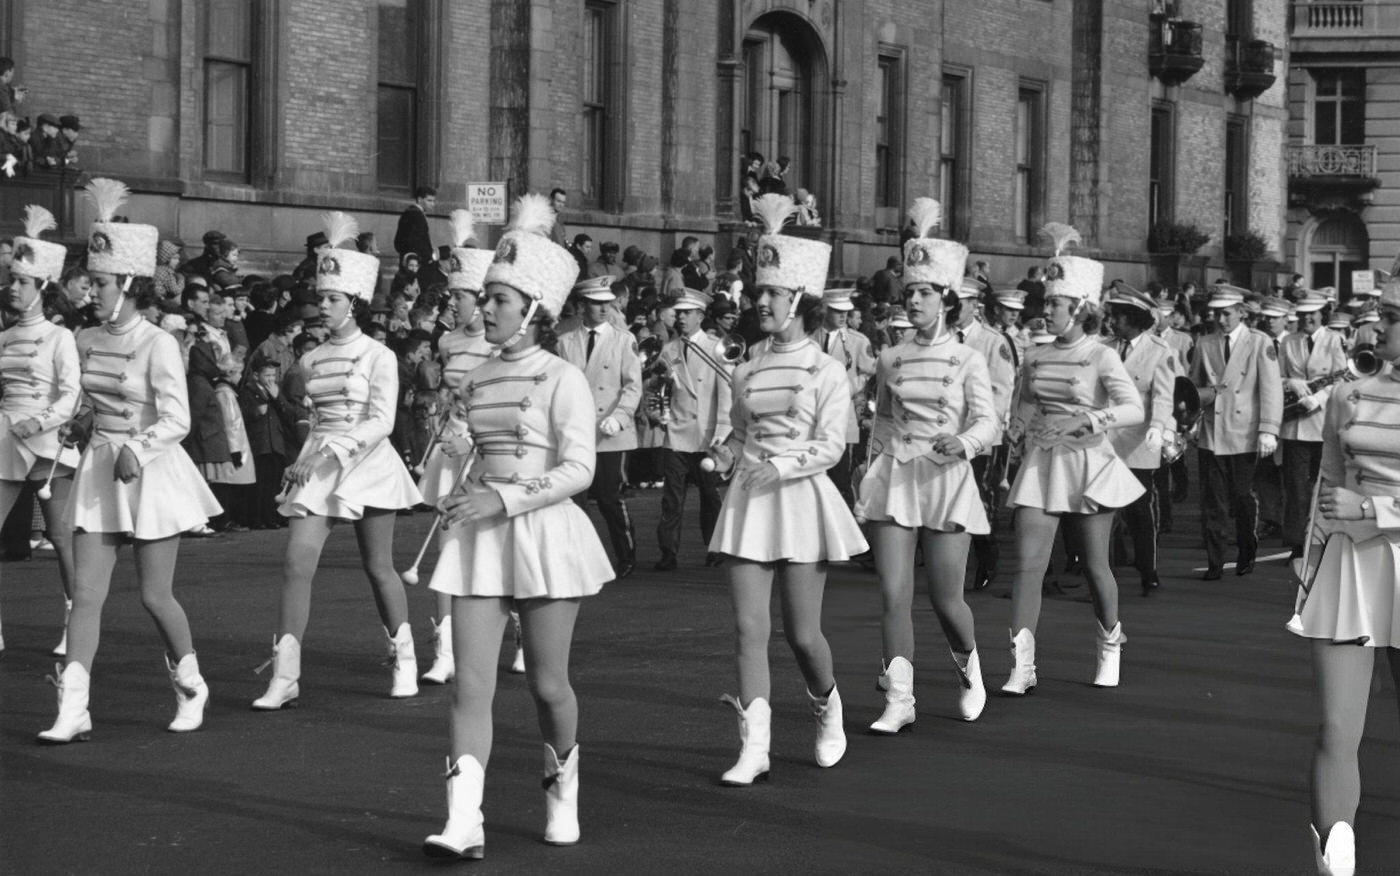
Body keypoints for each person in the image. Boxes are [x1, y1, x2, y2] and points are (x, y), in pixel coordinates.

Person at [422, 193, 614, 858]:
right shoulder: (475, 376)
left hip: (544, 535)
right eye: (488, 297)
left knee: (546, 684)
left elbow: (580, 470)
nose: (485, 307)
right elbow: (476, 450)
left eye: (500, 299)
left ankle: (562, 787)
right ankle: (463, 820)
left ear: (533, 311)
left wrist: (501, 500)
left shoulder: (563, 378)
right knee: (470, 686)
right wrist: (458, 481)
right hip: (480, 536)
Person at [39, 178, 223, 743]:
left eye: (97, 282)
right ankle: (74, 707)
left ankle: (190, 681)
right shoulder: (87, 338)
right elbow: (88, 401)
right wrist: (81, 422)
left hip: (149, 474)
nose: (87, 291)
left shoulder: (158, 342)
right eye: (88, 281)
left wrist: (136, 449)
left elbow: (178, 419)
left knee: (152, 595)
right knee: (87, 594)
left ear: (127, 283)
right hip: (99, 469)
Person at [704, 193, 868, 785]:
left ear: (801, 300)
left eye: (772, 293)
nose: (760, 301)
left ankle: (828, 711)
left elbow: (831, 444)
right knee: (749, 629)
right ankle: (755, 748)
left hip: (799, 500)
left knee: (802, 634)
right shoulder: (746, 367)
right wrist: (723, 453)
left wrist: (784, 464)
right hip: (749, 500)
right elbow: (740, 430)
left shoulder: (826, 368)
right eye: (759, 292)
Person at [252, 212, 423, 710]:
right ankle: (285, 675)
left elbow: (382, 422)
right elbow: (309, 414)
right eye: (320, 298)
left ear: (356, 304)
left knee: (378, 567)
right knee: (295, 563)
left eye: (332, 299)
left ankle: (405, 658)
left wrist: (325, 452)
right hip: (320, 464)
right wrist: (306, 451)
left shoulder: (379, 355)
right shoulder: (308, 360)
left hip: (367, 463)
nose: (321, 307)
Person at [855, 197, 994, 733]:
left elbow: (989, 420)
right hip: (896, 475)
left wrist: (966, 443)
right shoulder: (890, 355)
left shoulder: (968, 358)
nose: (913, 299)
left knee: (945, 599)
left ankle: (970, 668)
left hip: (946, 479)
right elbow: (883, 422)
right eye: (909, 291)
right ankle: (900, 699)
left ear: (946, 300)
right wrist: (868, 474)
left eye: (924, 292)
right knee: (892, 594)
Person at [1000, 223, 1144, 696]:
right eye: (1046, 303)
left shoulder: (1102, 356)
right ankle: (1022, 665)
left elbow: (1132, 409)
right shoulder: (1035, 356)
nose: (1046, 312)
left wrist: (1086, 421)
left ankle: (1110, 643)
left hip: (1088, 464)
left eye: (1055, 304)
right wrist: (1018, 427)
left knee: (1095, 567)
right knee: (1027, 565)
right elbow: (1025, 400)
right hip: (1043, 464)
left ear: (1080, 309)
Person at [1287, 278, 1400, 876]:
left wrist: (1378, 510)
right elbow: (1327, 488)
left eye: (1394, 317)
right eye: (1381, 314)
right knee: (1335, 728)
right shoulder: (1350, 393)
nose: (1377, 328)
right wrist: (1310, 565)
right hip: (1350, 566)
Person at [413, 210, 500, 685]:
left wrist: (472, 432)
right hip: (450, 453)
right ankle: (444, 650)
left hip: (487, 456)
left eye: (462, 296)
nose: (455, 304)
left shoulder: (498, 345)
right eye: (453, 296)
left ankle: (521, 635)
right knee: (446, 549)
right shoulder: (446, 341)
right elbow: (449, 397)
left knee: (496, 548)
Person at [0, 205, 79, 657]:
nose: (13, 288)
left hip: (46, 441)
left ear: (42, 287)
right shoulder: (5, 337)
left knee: (62, 539)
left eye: (22, 282)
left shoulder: (59, 337)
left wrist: (40, 422)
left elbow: (70, 395)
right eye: (12, 281)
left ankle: (75, 620)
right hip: (7, 438)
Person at [1190, 284, 1282, 579]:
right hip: (1212, 431)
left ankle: (1246, 549)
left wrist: (1269, 429)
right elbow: (1193, 388)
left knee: (1242, 497)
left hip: (1244, 431)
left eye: (1226, 313)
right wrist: (1191, 420)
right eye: (1216, 313)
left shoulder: (1259, 341)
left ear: (1241, 313)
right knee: (1213, 501)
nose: (1221, 319)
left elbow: (1271, 388)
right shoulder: (1205, 342)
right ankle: (1215, 561)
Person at [559, 275, 643, 578]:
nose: (604, 309)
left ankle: (626, 554)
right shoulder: (565, 341)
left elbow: (633, 386)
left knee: (609, 498)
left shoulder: (624, 340)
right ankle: (580, 560)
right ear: (583, 306)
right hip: (577, 432)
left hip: (610, 433)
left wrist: (619, 417)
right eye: (597, 304)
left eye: (607, 303)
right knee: (576, 501)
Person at [1103, 286, 1176, 596]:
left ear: (1133, 319)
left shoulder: (1159, 351)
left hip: (1136, 442)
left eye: (1117, 317)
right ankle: (1103, 569)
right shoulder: (1103, 348)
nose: (1111, 322)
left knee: (1140, 512)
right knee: (1102, 510)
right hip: (1103, 442)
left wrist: (1159, 427)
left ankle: (1149, 570)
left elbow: (1163, 396)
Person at [654, 288, 732, 570]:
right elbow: (660, 389)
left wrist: (722, 431)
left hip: (707, 434)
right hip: (676, 432)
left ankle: (714, 547)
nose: (681, 318)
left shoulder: (716, 347)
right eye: (678, 313)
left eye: (687, 313)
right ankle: (668, 552)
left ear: (700, 315)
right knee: (672, 499)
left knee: (710, 497)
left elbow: (726, 392)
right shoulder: (669, 349)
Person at [952, 277, 1016, 591]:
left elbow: (1003, 389)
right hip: (946, 434)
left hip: (979, 435)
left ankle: (986, 555)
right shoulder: (942, 337)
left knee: (979, 495)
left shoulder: (992, 341)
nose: (953, 308)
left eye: (959, 303)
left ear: (974, 305)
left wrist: (989, 429)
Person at [1280, 289, 1347, 560]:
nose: (1308, 318)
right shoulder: (1289, 341)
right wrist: (1290, 382)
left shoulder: (1334, 340)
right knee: (1295, 487)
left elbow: (1342, 378)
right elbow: (1278, 375)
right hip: (1295, 423)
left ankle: (1325, 539)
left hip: (1322, 422)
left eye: (1313, 313)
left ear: (1323, 315)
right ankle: (1297, 544)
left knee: (1325, 486)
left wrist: (1319, 398)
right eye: (1304, 313)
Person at [394, 186, 437, 263]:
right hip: (416, 262)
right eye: (429, 201)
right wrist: (427, 257)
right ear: (420, 199)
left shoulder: (410, 212)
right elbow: (418, 242)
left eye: (433, 201)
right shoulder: (416, 215)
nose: (432, 204)